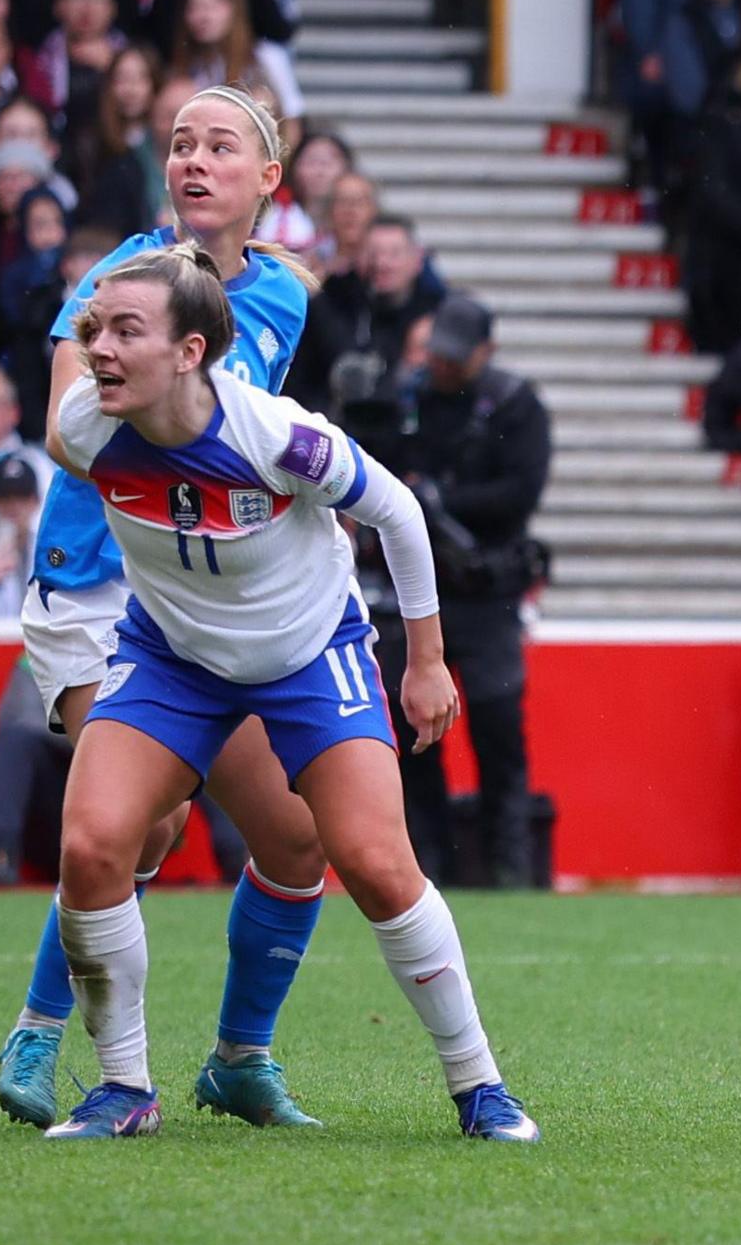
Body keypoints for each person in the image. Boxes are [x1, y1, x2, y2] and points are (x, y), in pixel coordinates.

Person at [35, 245, 538, 1143]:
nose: (97, 350)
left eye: (125, 331)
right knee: (93, 844)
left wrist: (426, 661)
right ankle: (123, 1088)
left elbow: (398, 510)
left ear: (191, 351)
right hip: (172, 655)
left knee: (377, 864)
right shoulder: (86, 424)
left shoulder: (274, 434)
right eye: (93, 329)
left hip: (310, 653)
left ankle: (480, 1086)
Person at [0, 85, 342, 1135]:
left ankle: (240, 1057)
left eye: (219, 144)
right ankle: (49, 1031)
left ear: (266, 179)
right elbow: (63, 428)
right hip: (93, 585)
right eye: (180, 141)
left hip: (198, 597)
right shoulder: (119, 278)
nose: (193, 158)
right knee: (144, 814)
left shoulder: (281, 294)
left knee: (293, 835)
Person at [346, 294, 549, 888]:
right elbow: (369, 471)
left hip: (486, 592)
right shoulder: (404, 400)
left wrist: (438, 499)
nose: (442, 366)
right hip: (411, 591)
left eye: (456, 357)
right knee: (411, 738)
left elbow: (519, 494)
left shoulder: (515, 406)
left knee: (497, 726)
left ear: (485, 353)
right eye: (437, 353)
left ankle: (510, 872)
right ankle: (428, 870)